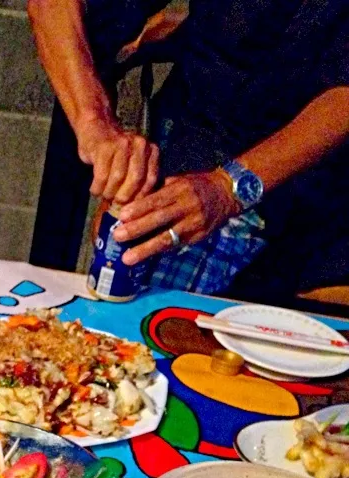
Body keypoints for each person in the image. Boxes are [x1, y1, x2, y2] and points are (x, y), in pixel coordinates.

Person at [27, 0, 349, 298]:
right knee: (127, 327)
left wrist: (229, 188)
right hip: (193, 155)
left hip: (325, 207)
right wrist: (95, 123)